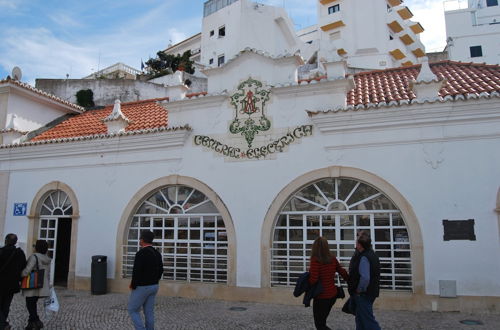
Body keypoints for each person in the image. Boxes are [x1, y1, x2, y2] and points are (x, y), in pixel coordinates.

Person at [308, 237, 349, 330]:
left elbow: (313, 279)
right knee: (322, 322)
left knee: (320, 325)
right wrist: (350, 280)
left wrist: (307, 283)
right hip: (332, 295)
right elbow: (342, 271)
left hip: (321, 297)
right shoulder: (332, 258)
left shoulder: (315, 260)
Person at [128, 230, 164, 330]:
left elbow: (136, 271)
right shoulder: (157, 253)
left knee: (132, 310)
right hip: (154, 286)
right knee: (149, 312)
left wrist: (133, 285)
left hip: (142, 287)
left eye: (140, 238)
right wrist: (155, 280)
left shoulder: (141, 253)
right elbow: (161, 269)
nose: (139, 240)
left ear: (142, 240)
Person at [348, 233, 381, 330]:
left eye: (357, 242)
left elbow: (365, 278)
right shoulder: (373, 254)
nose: (355, 244)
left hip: (364, 294)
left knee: (369, 321)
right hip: (371, 291)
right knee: (360, 319)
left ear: (359, 245)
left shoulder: (364, 257)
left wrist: (359, 290)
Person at [21, 240, 52, 330]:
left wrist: (20, 275)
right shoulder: (47, 258)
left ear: (37, 247)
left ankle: (37, 321)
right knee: (32, 304)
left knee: (30, 304)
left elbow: (27, 270)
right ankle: (31, 324)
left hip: (32, 285)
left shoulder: (34, 257)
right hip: (41, 284)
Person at [0, 233, 27, 330]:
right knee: (6, 305)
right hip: (13, 284)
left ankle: (2, 324)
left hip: (1, 283)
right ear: (15, 242)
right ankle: (3, 324)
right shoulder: (20, 253)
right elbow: (24, 267)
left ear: (6, 240)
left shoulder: (1, 252)